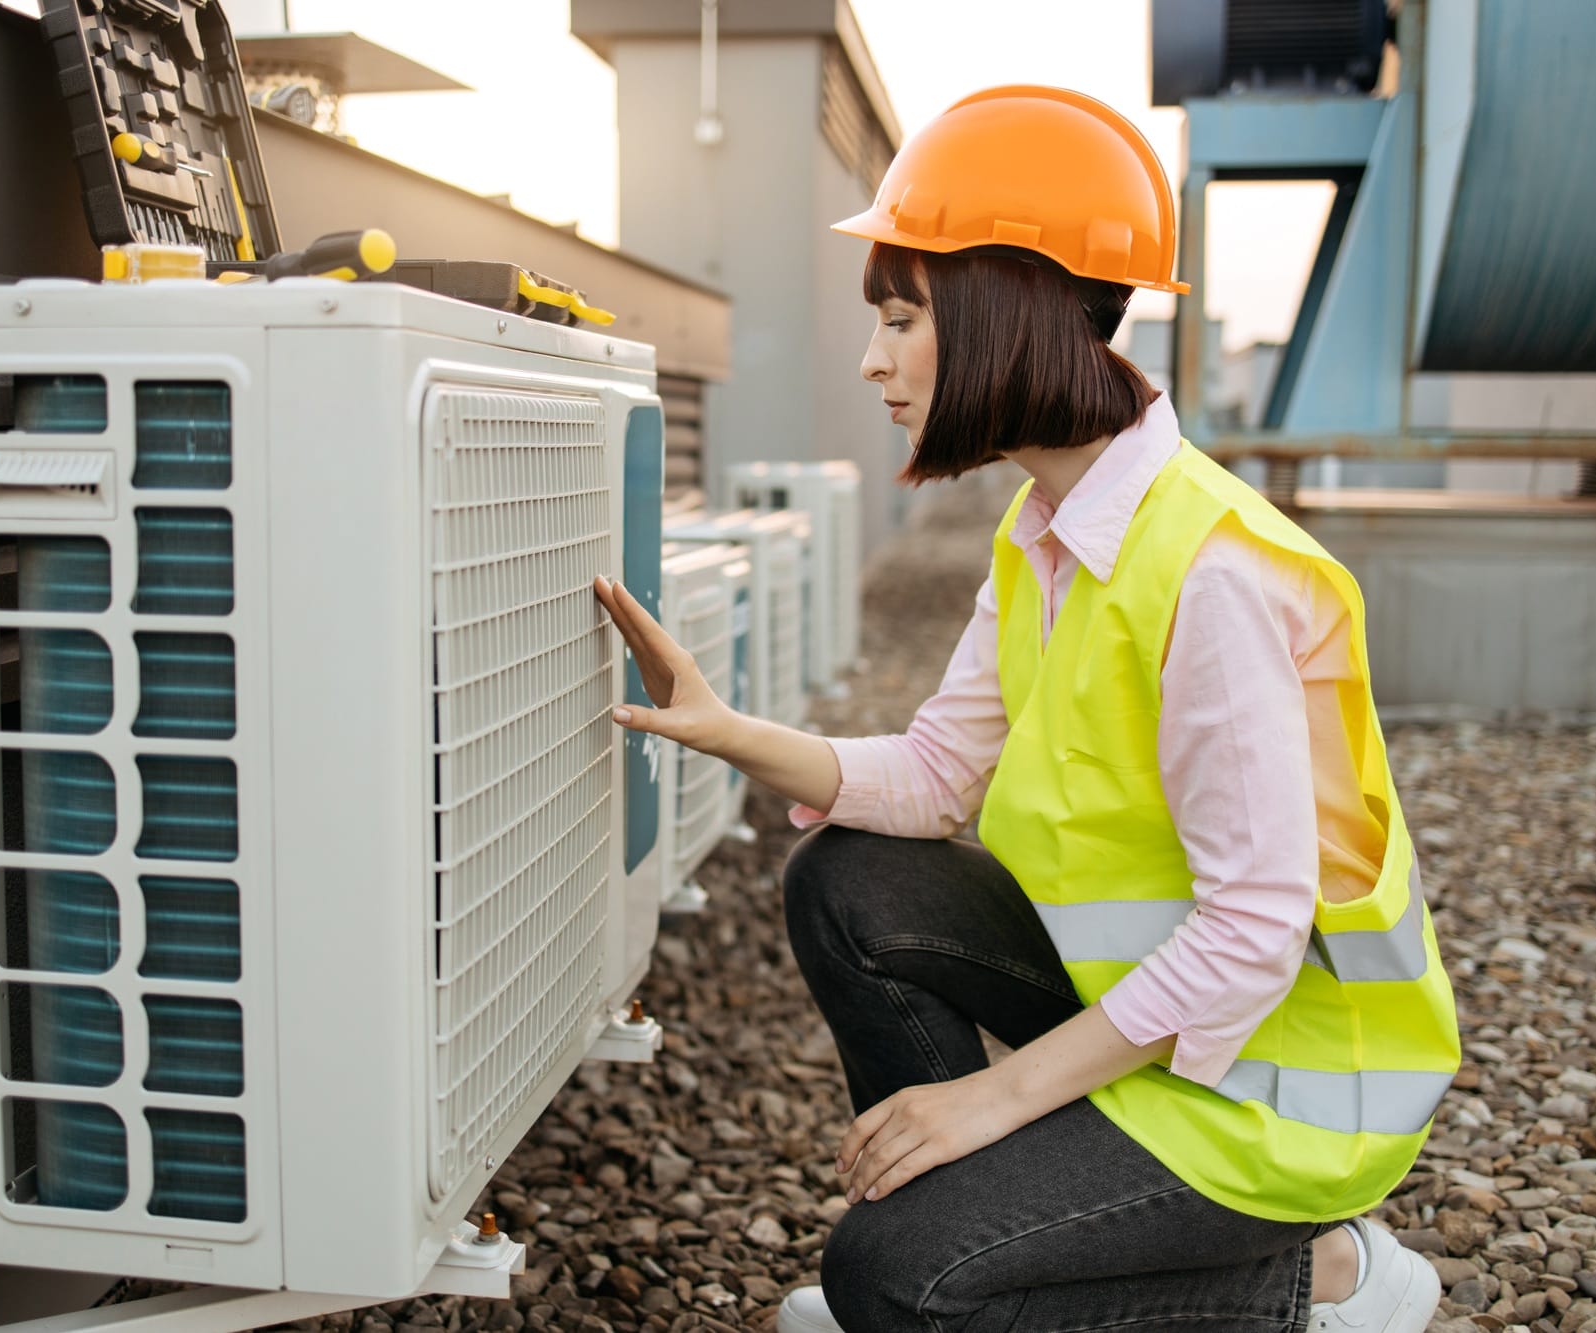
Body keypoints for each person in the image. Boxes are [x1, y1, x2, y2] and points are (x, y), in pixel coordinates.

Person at [593, 85, 1460, 1333]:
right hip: (1163, 1023)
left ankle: (1320, 1279)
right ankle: (969, 1224)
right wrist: (721, 727)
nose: (870, 358)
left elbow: (1252, 933)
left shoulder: (1209, 570)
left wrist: (989, 1101)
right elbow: (937, 776)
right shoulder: (1046, 526)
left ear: (1006, 312)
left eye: (902, 317)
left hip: (1282, 1085)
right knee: (848, 879)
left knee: (887, 1279)